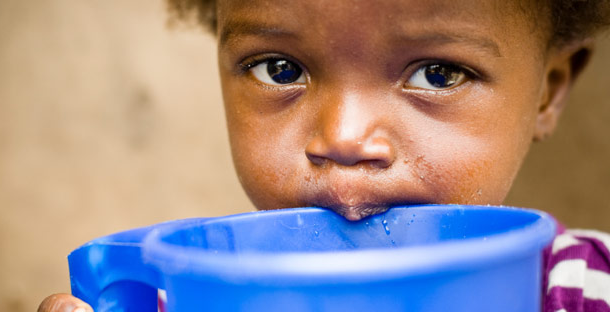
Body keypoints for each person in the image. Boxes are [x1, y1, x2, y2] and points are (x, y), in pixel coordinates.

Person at [38, 0, 610, 311]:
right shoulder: (181, 300)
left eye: (438, 74)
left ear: (548, 90)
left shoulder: (594, 290)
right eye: (279, 69)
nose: (344, 137)